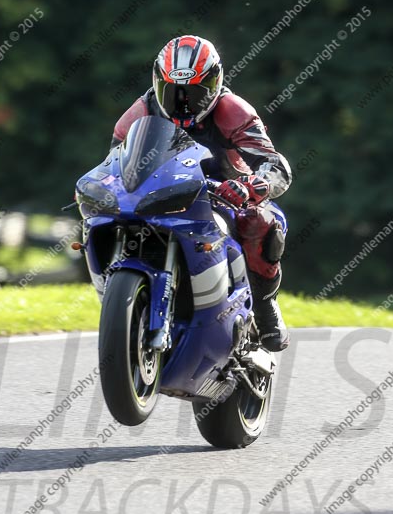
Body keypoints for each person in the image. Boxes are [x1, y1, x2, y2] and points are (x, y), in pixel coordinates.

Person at [110, 34, 292, 351]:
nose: (183, 102)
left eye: (194, 93)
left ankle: (264, 308)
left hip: (223, 193)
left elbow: (274, 164)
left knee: (260, 223)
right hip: (160, 194)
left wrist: (252, 186)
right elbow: (114, 162)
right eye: (173, 92)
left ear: (214, 84)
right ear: (157, 84)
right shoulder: (139, 112)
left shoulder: (232, 110)